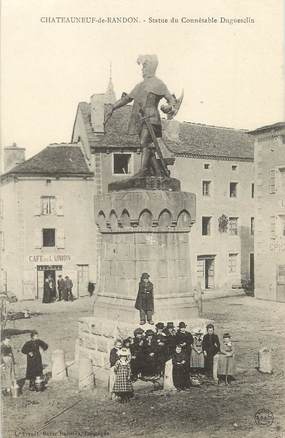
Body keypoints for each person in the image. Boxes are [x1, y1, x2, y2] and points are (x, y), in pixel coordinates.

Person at [105, 54, 178, 177]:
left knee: (144, 143)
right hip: (141, 119)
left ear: (151, 67)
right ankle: (159, 173)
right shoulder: (140, 85)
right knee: (148, 146)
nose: (142, 70)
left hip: (152, 119)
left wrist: (169, 107)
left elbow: (171, 100)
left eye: (144, 67)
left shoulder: (159, 84)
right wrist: (113, 107)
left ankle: (143, 170)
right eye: (142, 67)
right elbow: (127, 99)